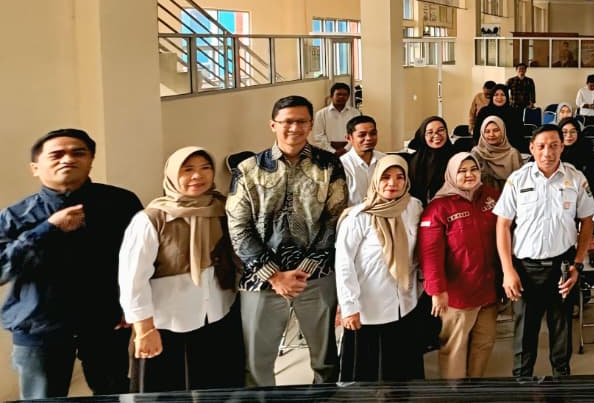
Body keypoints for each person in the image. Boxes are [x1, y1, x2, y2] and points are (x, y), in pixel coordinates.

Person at [1, 129, 143, 399]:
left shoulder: (121, 203)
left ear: (91, 160)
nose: (67, 159)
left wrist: (134, 306)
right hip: (39, 327)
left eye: (78, 153)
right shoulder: (15, 217)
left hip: (107, 323)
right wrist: (47, 230)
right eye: (56, 154)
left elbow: (142, 260)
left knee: (113, 395)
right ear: (35, 168)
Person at [228, 95, 347, 386]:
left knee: (326, 360)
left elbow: (335, 219)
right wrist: (274, 276)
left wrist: (304, 269)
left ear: (311, 124)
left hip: (315, 276)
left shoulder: (329, 164)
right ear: (273, 125)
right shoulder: (248, 169)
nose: (294, 128)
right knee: (256, 364)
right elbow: (238, 227)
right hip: (261, 280)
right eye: (287, 122)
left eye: (301, 121)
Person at [118, 147, 242, 393]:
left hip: (217, 316)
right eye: (187, 170)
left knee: (218, 389)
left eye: (205, 168)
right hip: (167, 325)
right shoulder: (151, 219)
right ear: (173, 175)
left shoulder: (222, 209)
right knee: (165, 393)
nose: (198, 176)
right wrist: (144, 329)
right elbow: (133, 279)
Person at [494, 125, 594, 377]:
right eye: (541, 146)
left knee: (562, 334)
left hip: (562, 268)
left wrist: (577, 264)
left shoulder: (576, 178)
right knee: (524, 336)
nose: (547, 152)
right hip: (525, 269)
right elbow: (503, 225)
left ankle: (562, 384)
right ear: (532, 148)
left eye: (553, 145)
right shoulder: (518, 180)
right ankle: (522, 383)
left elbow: (587, 221)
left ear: (562, 146)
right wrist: (507, 271)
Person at [335, 155, 425, 382]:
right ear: (375, 180)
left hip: (405, 304)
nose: (392, 183)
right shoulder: (357, 217)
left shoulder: (413, 207)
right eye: (385, 177)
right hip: (368, 307)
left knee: (402, 374)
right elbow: (344, 264)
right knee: (367, 374)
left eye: (399, 177)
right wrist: (348, 307)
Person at [421, 153, 502, 379]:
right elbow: (430, 253)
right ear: (451, 174)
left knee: (484, 342)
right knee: (455, 346)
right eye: (462, 170)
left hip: (489, 288)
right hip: (458, 294)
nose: (469, 175)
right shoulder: (438, 207)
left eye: (473, 169)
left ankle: (475, 386)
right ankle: (454, 390)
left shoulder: (491, 197)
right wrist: (437, 291)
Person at [406, 116, 460, 202]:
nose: (436, 135)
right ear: (423, 136)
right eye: (430, 132)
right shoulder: (413, 161)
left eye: (441, 130)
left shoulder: (458, 158)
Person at [339, 115, 385, 203]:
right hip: (354, 211)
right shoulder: (342, 165)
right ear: (349, 138)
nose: (369, 138)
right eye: (362, 135)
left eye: (373, 133)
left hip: (383, 210)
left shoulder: (384, 160)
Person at [471, 116, 524, 189]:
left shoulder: (513, 154)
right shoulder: (476, 153)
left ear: (503, 131)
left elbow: (521, 182)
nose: (491, 135)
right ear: (482, 133)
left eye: (496, 130)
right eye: (487, 131)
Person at [311, 82, 361, 154]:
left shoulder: (355, 113)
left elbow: (357, 134)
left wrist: (346, 149)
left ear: (348, 97)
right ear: (331, 96)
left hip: (351, 151)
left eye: (345, 95)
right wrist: (332, 151)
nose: (341, 97)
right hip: (327, 153)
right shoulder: (321, 114)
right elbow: (318, 137)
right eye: (338, 94)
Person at [475, 84, 527, 152]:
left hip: (509, 150)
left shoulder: (514, 112)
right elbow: (477, 133)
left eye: (502, 95)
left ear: (507, 97)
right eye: (496, 95)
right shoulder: (484, 112)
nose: (499, 97)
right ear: (492, 97)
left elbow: (519, 135)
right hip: (487, 150)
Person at [560, 119, 594, 196]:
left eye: (573, 132)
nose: (569, 135)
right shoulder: (554, 152)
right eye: (564, 132)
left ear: (578, 133)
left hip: (582, 193)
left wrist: (589, 195)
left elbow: (591, 182)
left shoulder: (587, 152)